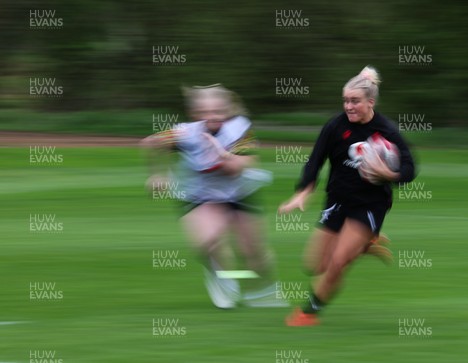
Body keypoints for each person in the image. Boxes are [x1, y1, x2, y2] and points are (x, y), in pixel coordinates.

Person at [279, 66, 416, 326]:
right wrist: (302, 192)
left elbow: (410, 169)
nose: (348, 106)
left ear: (370, 102)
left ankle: (309, 313)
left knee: (338, 263)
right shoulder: (335, 126)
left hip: (369, 205)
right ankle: (364, 244)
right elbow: (315, 161)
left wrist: (388, 173)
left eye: (354, 101)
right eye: (345, 100)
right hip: (337, 201)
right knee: (314, 265)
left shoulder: (386, 131)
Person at [141, 84, 285, 309]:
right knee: (208, 242)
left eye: (217, 111)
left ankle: (264, 289)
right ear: (196, 114)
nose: (212, 116)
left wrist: (224, 155)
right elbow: (151, 142)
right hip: (199, 195)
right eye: (205, 112)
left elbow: (244, 165)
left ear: (227, 111)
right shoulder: (186, 133)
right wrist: (157, 174)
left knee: (251, 251)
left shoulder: (239, 129)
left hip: (238, 193)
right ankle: (221, 276)